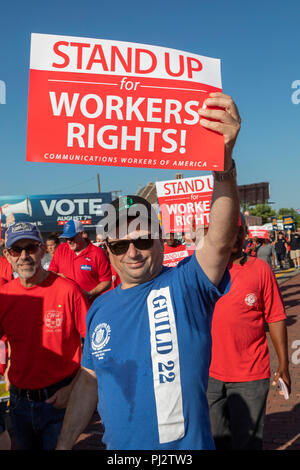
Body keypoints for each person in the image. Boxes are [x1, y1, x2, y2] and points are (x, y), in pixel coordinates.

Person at [56, 92, 241, 451]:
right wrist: (63, 445)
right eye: (120, 245)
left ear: (159, 238)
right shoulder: (100, 309)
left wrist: (224, 162)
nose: (133, 253)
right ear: (107, 249)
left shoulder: (186, 285)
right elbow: (89, 381)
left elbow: (219, 240)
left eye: (141, 241)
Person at [0, 222, 89, 450]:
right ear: (7, 255)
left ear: (41, 250)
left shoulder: (67, 290)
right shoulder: (5, 296)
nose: (23, 256)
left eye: (30, 247)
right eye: (16, 250)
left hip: (59, 402)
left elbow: (95, 348)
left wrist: (74, 389)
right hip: (19, 404)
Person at [207, 217, 291, 450]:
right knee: (216, 441)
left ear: (245, 234)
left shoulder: (260, 269)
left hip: (251, 375)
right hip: (208, 375)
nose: (233, 237)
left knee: (247, 445)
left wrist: (284, 364)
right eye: (226, 230)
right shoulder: (203, 271)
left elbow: (275, 317)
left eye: (238, 231)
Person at [49, 220, 111, 303]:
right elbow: (51, 273)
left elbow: (106, 281)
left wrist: (89, 294)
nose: (68, 241)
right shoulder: (61, 250)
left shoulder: (97, 253)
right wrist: (58, 277)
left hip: (90, 305)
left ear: (82, 234)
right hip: (66, 303)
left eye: (71, 238)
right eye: (66, 238)